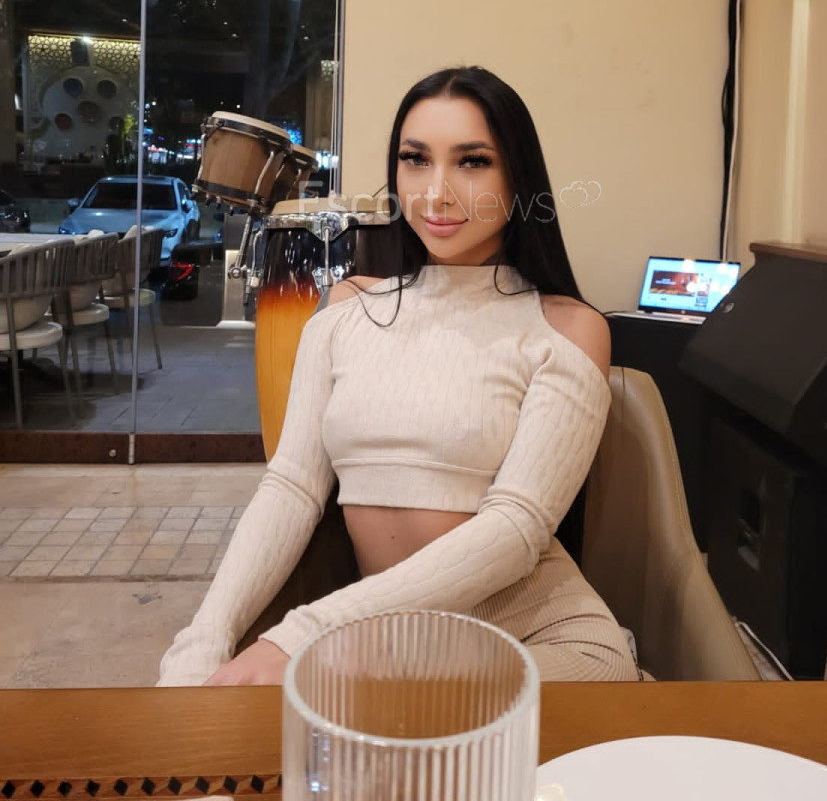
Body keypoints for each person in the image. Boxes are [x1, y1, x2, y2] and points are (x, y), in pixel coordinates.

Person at [158, 66, 639, 685]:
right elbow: (292, 486)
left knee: (348, 701)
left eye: (472, 162)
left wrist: (304, 635)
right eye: (416, 160)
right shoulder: (346, 310)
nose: (436, 193)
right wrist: (203, 639)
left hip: (539, 647)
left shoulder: (565, 328)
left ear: (518, 178)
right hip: (385, 641)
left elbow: (516, 530)